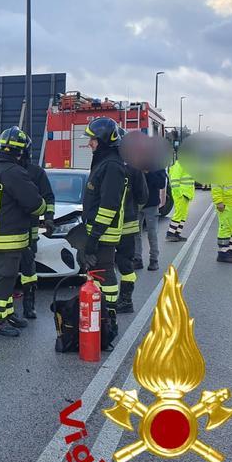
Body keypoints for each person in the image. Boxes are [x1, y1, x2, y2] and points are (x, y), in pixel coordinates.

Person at [0, 127, 46, 337]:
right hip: (8, 237)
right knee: (5, 279)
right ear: (22, 151)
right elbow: (35, 205)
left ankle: (7, 314)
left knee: (1, 277)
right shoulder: (15, 173)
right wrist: (44, 207)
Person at [81, 118, 128, 348]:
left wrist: (94, 237)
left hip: (104, 234)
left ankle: (109, 322)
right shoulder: (104, 162)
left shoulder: (112, 167)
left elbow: (108, 206)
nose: (89, 143)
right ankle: (99, 320)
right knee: (97, 277)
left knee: (106, 276)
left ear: (102, 141)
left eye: (92, 139)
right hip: (98, 232)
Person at [18, 143, 55, 319]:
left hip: (28, 230)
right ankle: (2, 307)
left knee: (28, 268)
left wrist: (49, 218)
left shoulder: (36, 172)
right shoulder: (5, 171)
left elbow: (48, 196)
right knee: (4, 270)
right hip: (7, 229)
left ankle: (29, 304)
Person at [115, 154, 148, 314]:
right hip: (128, 224)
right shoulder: (135, 169)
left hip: (107, 225)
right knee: (125, 263)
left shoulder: (106, 165)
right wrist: (132, 210)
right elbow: (143, 197)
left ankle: (109, 301)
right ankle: (126, 300)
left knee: (104, 262)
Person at [135, 168, 167, 271]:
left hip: (151, 204)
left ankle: (154, 259)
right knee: (135, 233)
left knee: (152, 233)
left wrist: (148, 172)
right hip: (136, 203)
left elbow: (161, 183)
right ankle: (137, 259)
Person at [166, 156, 195, 242]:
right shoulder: (180, 164)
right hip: (181, 194)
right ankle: (170, 234)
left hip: (186, 194)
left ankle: (177, 234)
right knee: (179, 214)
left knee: (183, 215)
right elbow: (174, 180)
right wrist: (179, 194)